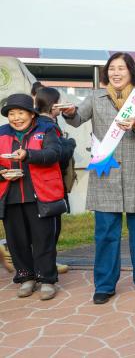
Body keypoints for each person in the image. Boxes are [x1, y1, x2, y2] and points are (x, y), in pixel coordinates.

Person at [62, 52, 135, 305]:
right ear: (107, 72)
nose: (116, 73)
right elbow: (76, 119)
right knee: (105, 232)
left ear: (131, 72)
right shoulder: (95, 96)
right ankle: (105, 284)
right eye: (112, 69)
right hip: (106, 172)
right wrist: (69, 112)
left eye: (122, 68)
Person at [0, 93, 64, 300]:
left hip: (40, 194)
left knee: (43, 239)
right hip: (10, 195)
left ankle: (46, 279)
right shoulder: (1, 133)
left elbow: (55, 153)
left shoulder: (45, 129)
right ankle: (26, 277)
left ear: (31, 114)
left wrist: (29, 155)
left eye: (21, 112)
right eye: (11, 113)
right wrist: (2, 172)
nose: (16, 117)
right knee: (16, 240)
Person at [34, 87, 77, 274]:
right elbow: (58, 154)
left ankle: (42, 264)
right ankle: (46, 266)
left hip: (37, 185)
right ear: (53, 106)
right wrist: (70, 143)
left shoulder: (35, 123)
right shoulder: (49, 125)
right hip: (51, 184)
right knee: (51, 229)